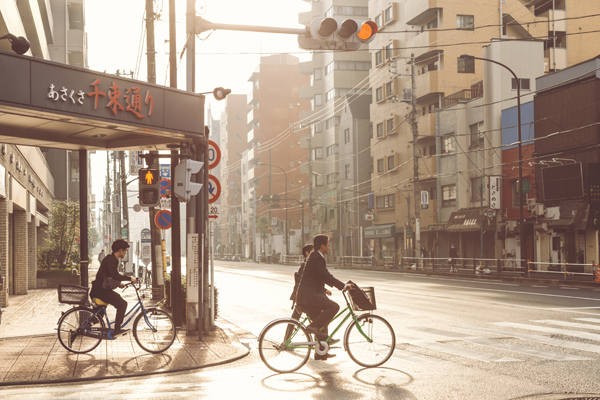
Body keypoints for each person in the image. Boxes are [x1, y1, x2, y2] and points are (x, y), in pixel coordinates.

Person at [296, 234, 351, 361]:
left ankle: (321, 352)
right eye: (329, 245)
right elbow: (326, 275)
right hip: (308, 296)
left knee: (321, 324)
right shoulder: (317, 258)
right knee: (333, 307)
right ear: (323, 246)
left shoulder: (315, 256)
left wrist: (326, 289)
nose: (330, 248)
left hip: (308, 294)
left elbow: (319, 276)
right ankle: (312, 327)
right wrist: (343, 286)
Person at [90, 239, 137, 337]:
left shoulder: (111, 259)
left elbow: (109, 276)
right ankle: (117, 330)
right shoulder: (111, 260)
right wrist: (129, 278)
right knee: (122, 304)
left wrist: (118, 284)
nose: (125, 253)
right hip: (101, 291)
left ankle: (81, 329)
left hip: (99, 290)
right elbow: (114, 275)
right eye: (125, 251)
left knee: (98, 316)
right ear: (120, 250)